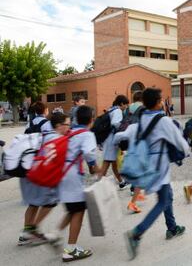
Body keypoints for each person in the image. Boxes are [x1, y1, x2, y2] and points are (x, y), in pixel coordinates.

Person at [122, 88, 190, 260]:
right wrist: (187, 150)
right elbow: (180, 143)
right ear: (158, 102)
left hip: (146, 162)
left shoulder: (141, 118)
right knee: (164, 200)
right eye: (161, 100)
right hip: (159, 166)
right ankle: (137, 232)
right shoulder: (163, 121)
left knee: (167, 194)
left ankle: (172, 227)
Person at [54, 106, 101, 262]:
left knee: (73, 208)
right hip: (72, 175)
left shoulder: (72, 132)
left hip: (63, 173)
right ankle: (71, 249)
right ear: (91, 119)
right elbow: (88, 153)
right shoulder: (87, 134)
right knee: (79, 210)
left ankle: (54, 235)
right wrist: (95, 167)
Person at [17, 112, 70, 247]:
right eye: (67, 125)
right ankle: (32, 230)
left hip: (27, 172)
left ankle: (26, 233)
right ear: (58, 125)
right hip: (38, 174)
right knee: (50, 202)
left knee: (33, 203)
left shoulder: (43, 134)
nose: (69, 128)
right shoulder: (56, 139)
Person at [101, 95, 129, 189]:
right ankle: (98, 186)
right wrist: (124, 127)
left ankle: (121, 182)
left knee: (113, 162)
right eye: (126, 104)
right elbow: (115, 124)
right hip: (111, 140)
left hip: (108, 139)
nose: (126, 107)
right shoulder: (117, 111)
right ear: (121, 103)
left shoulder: (111, 109)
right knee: (107, 162)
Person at [126, 91, 145, 213]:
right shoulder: (142, 108)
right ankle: (133, 202)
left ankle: (136, 193)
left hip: (130, 137)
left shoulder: (129, 108)